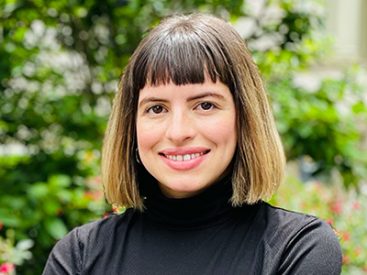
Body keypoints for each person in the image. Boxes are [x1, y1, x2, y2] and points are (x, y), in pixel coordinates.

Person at [43, 13, 342, 274]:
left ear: (245, 118)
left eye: (205, 105)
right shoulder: (79, 256)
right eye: (156, 108)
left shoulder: (297, 248)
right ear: (130, 128)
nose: (178, 131)